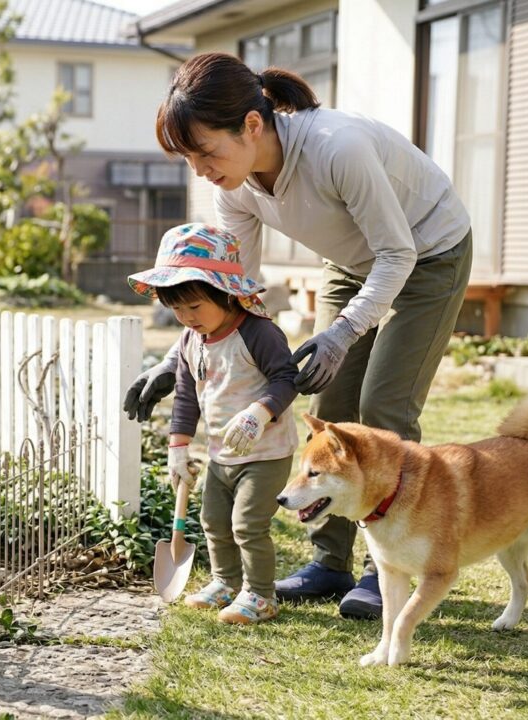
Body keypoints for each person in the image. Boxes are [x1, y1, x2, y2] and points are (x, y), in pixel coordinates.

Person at [124, 52, 473, 620]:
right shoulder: (233, 186)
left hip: (429, 252)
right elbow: (233, 293)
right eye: (188, 158)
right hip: (355, 262)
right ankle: (328, 562)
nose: (199, 169)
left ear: (252, 125)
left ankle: (379, 569)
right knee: (329, 408)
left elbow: (398, 252)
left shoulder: (338, 147)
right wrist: (175, 360)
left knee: (384, 404)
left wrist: (340, 335)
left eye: (205, 151)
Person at [128, 223, 299, 625]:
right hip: (222, 451)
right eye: (178, 310)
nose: (187, 318)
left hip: (266, 452)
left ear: (226, 293)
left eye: (195, 307)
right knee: (213, 521)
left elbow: (287, 378)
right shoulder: (192, 341)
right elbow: (187, 394)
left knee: (246, 524)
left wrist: (260, 414)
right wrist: (178, 447)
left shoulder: (259, 333)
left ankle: (261, 595)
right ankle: (225, 581)